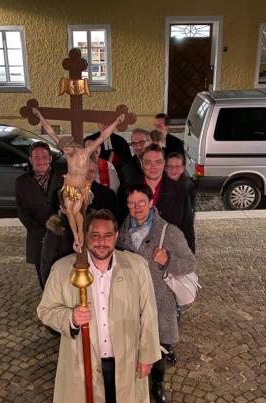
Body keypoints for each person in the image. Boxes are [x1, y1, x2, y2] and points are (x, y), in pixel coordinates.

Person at [37, 209, 161, 403]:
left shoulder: (136, 267)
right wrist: (70, 317)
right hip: (82, 360)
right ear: (85, 237)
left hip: (123, 358)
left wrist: (147, 355)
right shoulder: (64, 270)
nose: (101, 241)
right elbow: (45, 310)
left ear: (116, 236)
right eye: (94, 235)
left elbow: (148, 315)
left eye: (107, 235)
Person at [117, 184, 195, 403]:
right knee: (134, 347)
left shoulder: (168, 231)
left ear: (151, 202)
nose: (137, 207)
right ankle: (137, 390)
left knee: (158, 348)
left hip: (160, 303)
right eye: (132, 203)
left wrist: (168, 259)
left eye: (141, 202)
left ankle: (158, 387)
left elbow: (190, 263)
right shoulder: (123, 229)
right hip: (131, 302)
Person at [34, 108, 125, 253]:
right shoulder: (68, 153)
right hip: (69, 188)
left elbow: (102, 137)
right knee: (70, 212)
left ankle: (80, 237)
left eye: (66, 149)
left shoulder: (85, 153)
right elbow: (51, 133)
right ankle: (77, 239)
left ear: (71, 145)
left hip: (82, 189)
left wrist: (116, 122)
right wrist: (40, 117)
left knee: (79, 216)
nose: (64, 152)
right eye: (63, 149)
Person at [15, 141, 63, 288]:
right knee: (44, 279)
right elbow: (23, 213)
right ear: (30, 160)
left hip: (61, 239)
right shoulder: (22, 182)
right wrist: (42, 234)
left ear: (50, 158)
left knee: (62, 278)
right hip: (38, 241)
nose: (40, 160)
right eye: (36, 157)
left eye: (44, 156)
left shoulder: (62, 179)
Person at [140, 145, 196, 253]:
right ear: (141, 164)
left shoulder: (181, 190)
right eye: (148, 162)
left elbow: (187, 228)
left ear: (164, 164)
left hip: (171, 258)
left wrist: (189, 260)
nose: (153, 167)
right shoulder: (127, 191)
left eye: (158, 162)